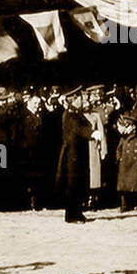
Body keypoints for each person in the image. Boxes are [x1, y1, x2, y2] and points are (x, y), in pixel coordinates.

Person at [57, 88, 94, 222]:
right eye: (80, 98)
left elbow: (87, 125)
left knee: (79, 183)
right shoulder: (70, 114)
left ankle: (77, 212)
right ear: (73, 99)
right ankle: (71, 215)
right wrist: (91, 134)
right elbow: (77, 128)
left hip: (78, 152)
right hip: (72, 154)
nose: (82, 100)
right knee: (73, 184)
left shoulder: (76, 113)